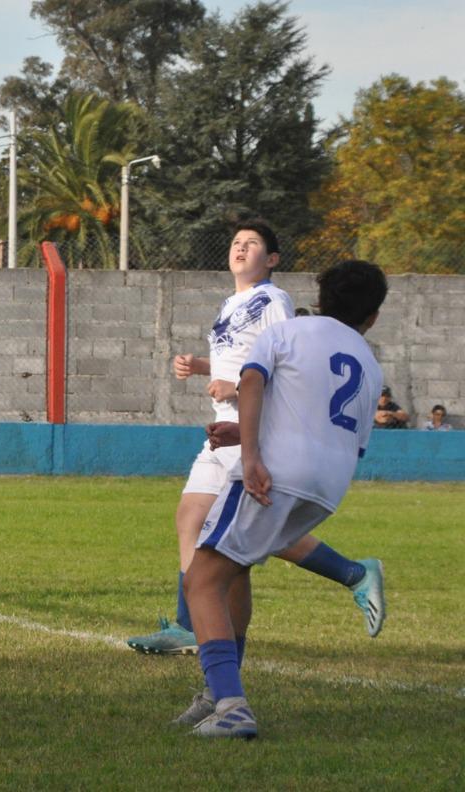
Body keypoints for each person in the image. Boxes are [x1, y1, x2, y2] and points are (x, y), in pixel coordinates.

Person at [128, 221, 383, 655]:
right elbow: (241, 356)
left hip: (255, 428)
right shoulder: (233, 302)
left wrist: (238, 386)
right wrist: (205, 367)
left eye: (253, 244)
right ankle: (190, 626)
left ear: (273, 260)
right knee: (193, 518)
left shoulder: (273, 300)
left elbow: (288, 361)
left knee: (243, 534)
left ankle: (353, 574)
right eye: (235, 243)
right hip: (227, 423)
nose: (240, 248)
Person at [177, 259, 388, 738]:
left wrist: (250, 454)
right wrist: (245, 433)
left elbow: (252, 382)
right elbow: (336, 429)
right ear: (372, 316)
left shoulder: (291, 331)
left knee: (202, 581)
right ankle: (216, 692)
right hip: (328, 487)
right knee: (234, 570)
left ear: (320, 294)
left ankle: (230, 705)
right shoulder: (369, 362)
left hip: (276, 472)